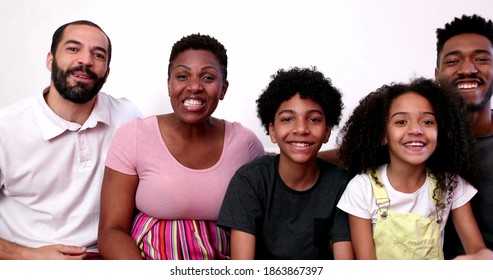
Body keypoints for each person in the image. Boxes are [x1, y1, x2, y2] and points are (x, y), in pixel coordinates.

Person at [97, 33, 265, 260]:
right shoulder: (134, 135)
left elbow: (261, 223)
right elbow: (111, 231)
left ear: (223, 89)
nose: (194, 86)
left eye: (207, 78)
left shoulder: (245, 144)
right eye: (182, 76)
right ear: (169, 84)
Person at [0, 20, 141, 260]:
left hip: (104, 259)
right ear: (50, 60)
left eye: (98, 54)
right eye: (73, 49)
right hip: (26, 261)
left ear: (106, 73)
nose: (85, 60)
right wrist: (27, 256)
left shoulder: (128, 117)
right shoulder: (7, 127)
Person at [336, 77, 493, 259]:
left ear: (440, 134)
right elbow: (367, 266)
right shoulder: (362, 188)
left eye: (427, 122)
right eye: (401, 122)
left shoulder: (451, 184)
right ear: (382, 135)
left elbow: (476, 250)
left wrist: (482, 258)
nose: (416, 130)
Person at [216, 66, 353, 260]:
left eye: (313, 119)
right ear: (272, 131)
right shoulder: (250, 181)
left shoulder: (342, 185)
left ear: (327, 131)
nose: (301, 129)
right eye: (288, 119)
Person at [434, 14, 493, 259]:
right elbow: (350, 154)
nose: (468, 69)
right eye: (453, 61)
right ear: (437, 75)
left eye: (481, 59)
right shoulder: (417, 141)